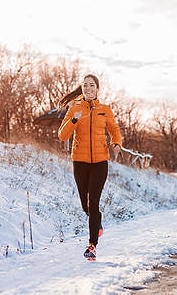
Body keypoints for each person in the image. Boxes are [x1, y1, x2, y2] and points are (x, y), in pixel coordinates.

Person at [57, 74, 122, 260]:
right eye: (85, 85)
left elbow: (114, 130)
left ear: (97, 88)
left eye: (91, 85)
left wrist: (116, 143)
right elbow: (62, 135)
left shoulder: (105, 110)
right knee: (85, 205)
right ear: (82, 88)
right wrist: (74, 120)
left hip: (100, 161)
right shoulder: (74, 108)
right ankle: (97, 222)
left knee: (93, 202)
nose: (88, 88)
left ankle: (92, 245)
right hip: (80, 161)